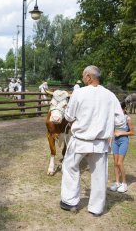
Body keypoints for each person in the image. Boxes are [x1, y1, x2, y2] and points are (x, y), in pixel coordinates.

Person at [60, 65, 125, 217]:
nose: (83, 79)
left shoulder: (79, 93)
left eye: (84, 76)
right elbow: (121, 121)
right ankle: (96, 208)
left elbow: (68, 117)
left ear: (89, 77)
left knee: (70, 167)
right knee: (99, 175)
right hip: (100, 143)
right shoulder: (110, 96)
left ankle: (69, 201)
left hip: (81, 140)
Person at [110, 101, 134, 193]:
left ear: (124, 109)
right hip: (115, 141)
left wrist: (121, 132)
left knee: (120, 163)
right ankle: (117, 183)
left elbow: (132, 132)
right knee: (115, 163)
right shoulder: (115, 118)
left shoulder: (127, 118)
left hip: (123, 141)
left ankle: (124, 184)